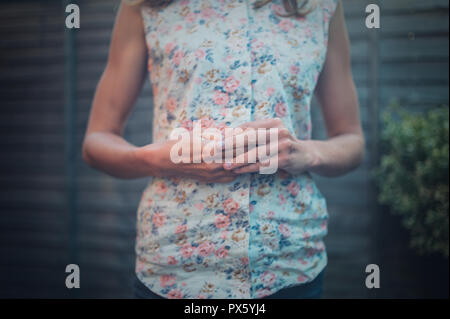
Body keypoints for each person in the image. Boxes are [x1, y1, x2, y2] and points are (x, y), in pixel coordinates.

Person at [82, 0, 364, 299]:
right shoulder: (145, 6)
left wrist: (308, 153)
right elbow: (96, 141)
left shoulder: (319, 7)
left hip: (290, 266)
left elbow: (352, 140)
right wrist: (162, 158)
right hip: (176, 266)